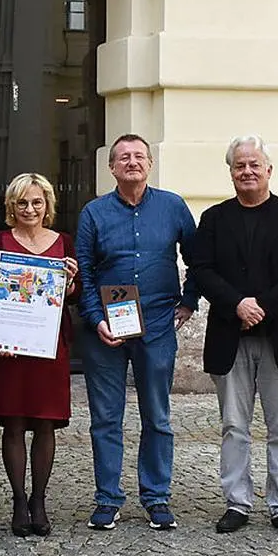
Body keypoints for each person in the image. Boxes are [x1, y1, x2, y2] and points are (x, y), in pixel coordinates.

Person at [189, 136, 278, 538]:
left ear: (268, 170)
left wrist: (262, 305)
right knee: (234, 425)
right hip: (231, 333)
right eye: (239, 166)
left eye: (254, 165)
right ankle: (237, 502)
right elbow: (202, 269)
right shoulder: (213, 218)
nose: (247, 171)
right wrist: (237, 304)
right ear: (230, 172)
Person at [77, 134, 198, 531]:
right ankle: (108, 498)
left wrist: (189, 301)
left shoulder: (173, 207)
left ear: (149, 164)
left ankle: (157, 496)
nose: (132, 162)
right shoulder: (93, 213)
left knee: (158, 416)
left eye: (139, 156)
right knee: (106, 418)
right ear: (111, 168)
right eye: (123, 157)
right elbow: (85, 272)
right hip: (105, 330)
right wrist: (97, 320)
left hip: (159, 325)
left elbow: (199, 259)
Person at [0, 173, 80, 537]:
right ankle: (19, 500)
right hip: (11, 348)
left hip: (50, 347)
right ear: (11, 207)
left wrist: (70, 283)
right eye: (22, 203)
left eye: (37, 202)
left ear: (47, 205)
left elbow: (74, 297)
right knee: (15, 422)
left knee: (46, 422)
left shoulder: (64, 242)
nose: (30, 209)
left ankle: (39, 499)